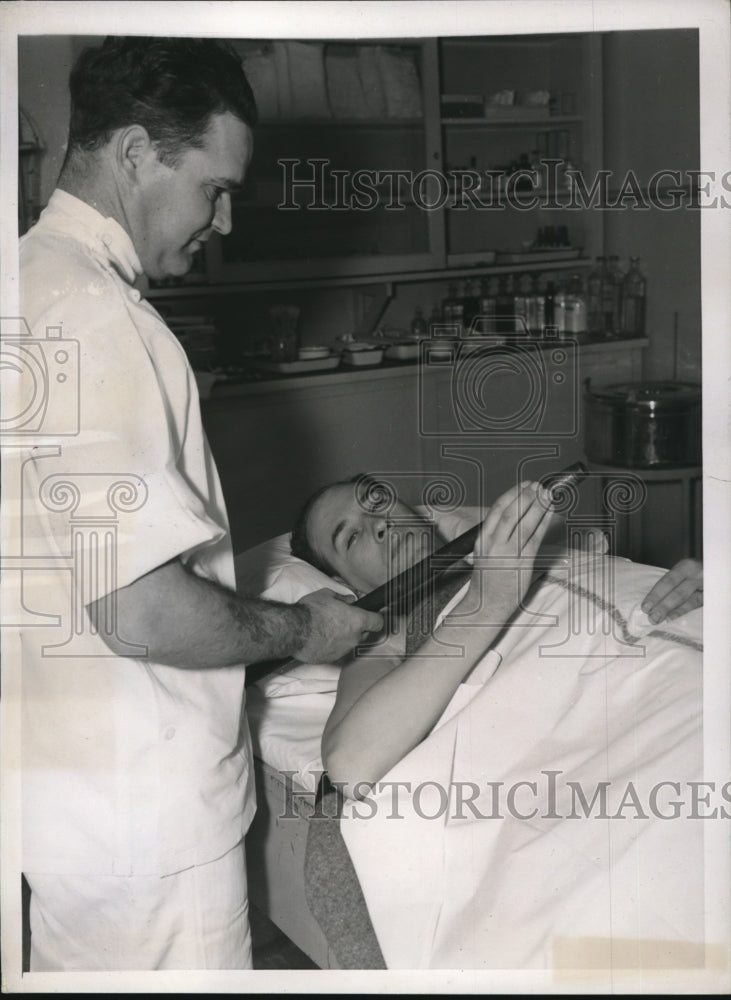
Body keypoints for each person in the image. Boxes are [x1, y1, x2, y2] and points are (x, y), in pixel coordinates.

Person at [16, 36, 382, 972]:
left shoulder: (24, 284)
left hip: (61, 805)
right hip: (145, 831)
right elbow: (141, 612)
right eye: (214, 188)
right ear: (135, 153)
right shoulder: (104, 322)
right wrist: (303, 632)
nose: (220, 222)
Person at [290, 475, 705, 801]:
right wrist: (490, 601)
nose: (379, 525)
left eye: (377, 503)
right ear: (344, 585)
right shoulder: (386, 645)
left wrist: (704, 588)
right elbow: (351, 765)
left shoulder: (539, 549)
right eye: (352, 537)